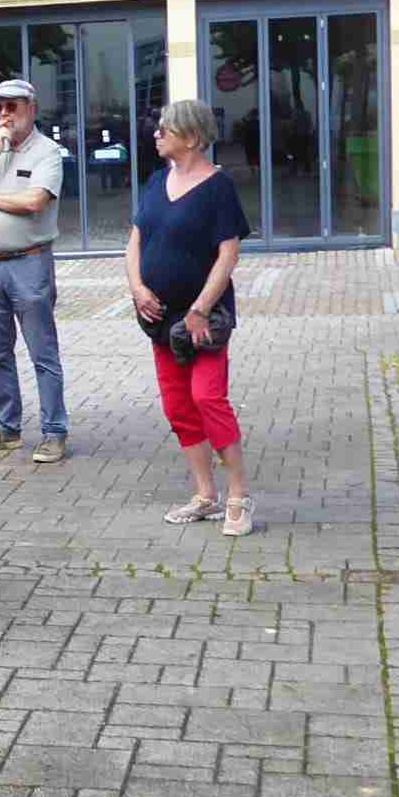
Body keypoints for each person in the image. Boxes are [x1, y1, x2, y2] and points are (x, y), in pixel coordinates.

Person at [125, 99, 254, 537]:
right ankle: (205, 494)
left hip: (203, 319)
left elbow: (228, 254)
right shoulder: (156, 180)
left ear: (193, 137)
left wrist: (200, 308)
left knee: (207, 398)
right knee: (178, 405)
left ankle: (239, 494)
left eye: (166, 128)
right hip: (160, 318)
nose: (156, 134)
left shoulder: (218, 187)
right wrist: (137, 288)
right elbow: (135, 240)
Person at [0, 76, 70, 465]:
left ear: (30, 109)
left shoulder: (47, 152)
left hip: (30, 262)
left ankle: (54, 432)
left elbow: (34, 202)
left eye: (12, 106)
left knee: (43, 353)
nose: (4, 114)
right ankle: (7, 427)